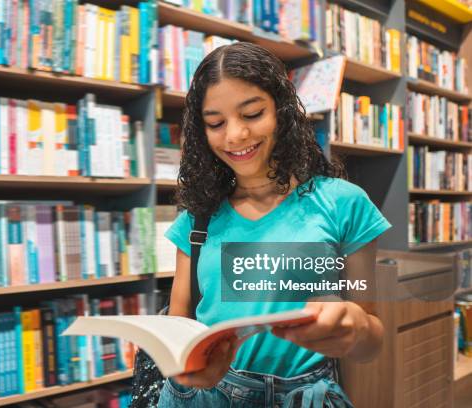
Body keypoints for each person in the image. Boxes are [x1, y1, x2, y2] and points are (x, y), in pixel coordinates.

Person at [158, 42, 391, 407]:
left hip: (305, 395)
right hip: (206, 396)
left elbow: (371, 342)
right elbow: (177, 331)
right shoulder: (197, 217)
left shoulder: (343, 203)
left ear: (281, 112)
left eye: (252, 114)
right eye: (216, 123)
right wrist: (187, 367)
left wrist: (358, 327)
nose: (235, 135)